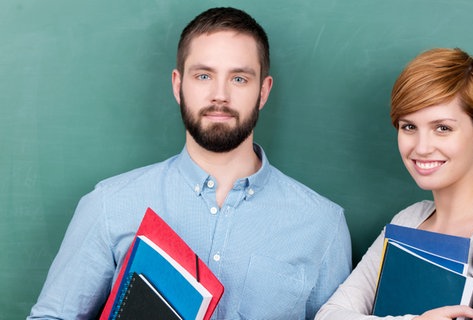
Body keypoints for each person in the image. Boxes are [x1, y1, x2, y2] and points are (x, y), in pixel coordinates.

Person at [28, 7, 352, 320]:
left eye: (239, 79)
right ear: (177, 85)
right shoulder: (109, 205)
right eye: (203, 75)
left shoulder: (323, 225)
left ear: (263, 92)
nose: (219, 95)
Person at [316, 48, 473, 320]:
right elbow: (329, 315)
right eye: (409, 127)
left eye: (442, 128)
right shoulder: (409, 219)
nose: (421, 148)